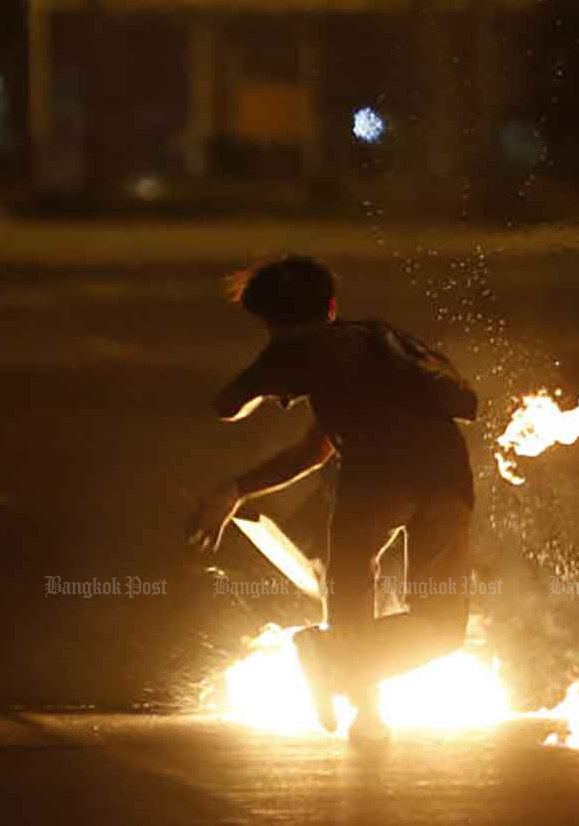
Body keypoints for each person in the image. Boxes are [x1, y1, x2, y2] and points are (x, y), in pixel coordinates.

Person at [186, 256, 477, 742]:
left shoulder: (296, 350)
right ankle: (363, 710)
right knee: (443, 629)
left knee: (349, 599)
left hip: (377, 483)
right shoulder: (382, 342)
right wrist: (235, 491)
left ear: (271, 320)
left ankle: (336, 667)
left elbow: (227, 405)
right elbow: (312, 453)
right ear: (333, 305)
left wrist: (275, 369)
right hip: (447, 479)